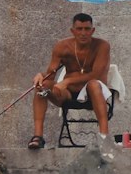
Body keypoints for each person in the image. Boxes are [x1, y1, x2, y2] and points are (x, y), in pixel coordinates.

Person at [29, 13, 111, 148]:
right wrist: (40, 76)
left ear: (93, 30)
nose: (83, 33)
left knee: (93, 85)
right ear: (72, 31)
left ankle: (104, 137)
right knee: (42, 86)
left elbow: (96, 74)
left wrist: (67, 81)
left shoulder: (102, 46)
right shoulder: (62, 46)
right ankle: (38, 137)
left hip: (93, 94)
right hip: (67, 94)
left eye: (87, 29)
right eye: (79, 29)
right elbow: (51, 74)